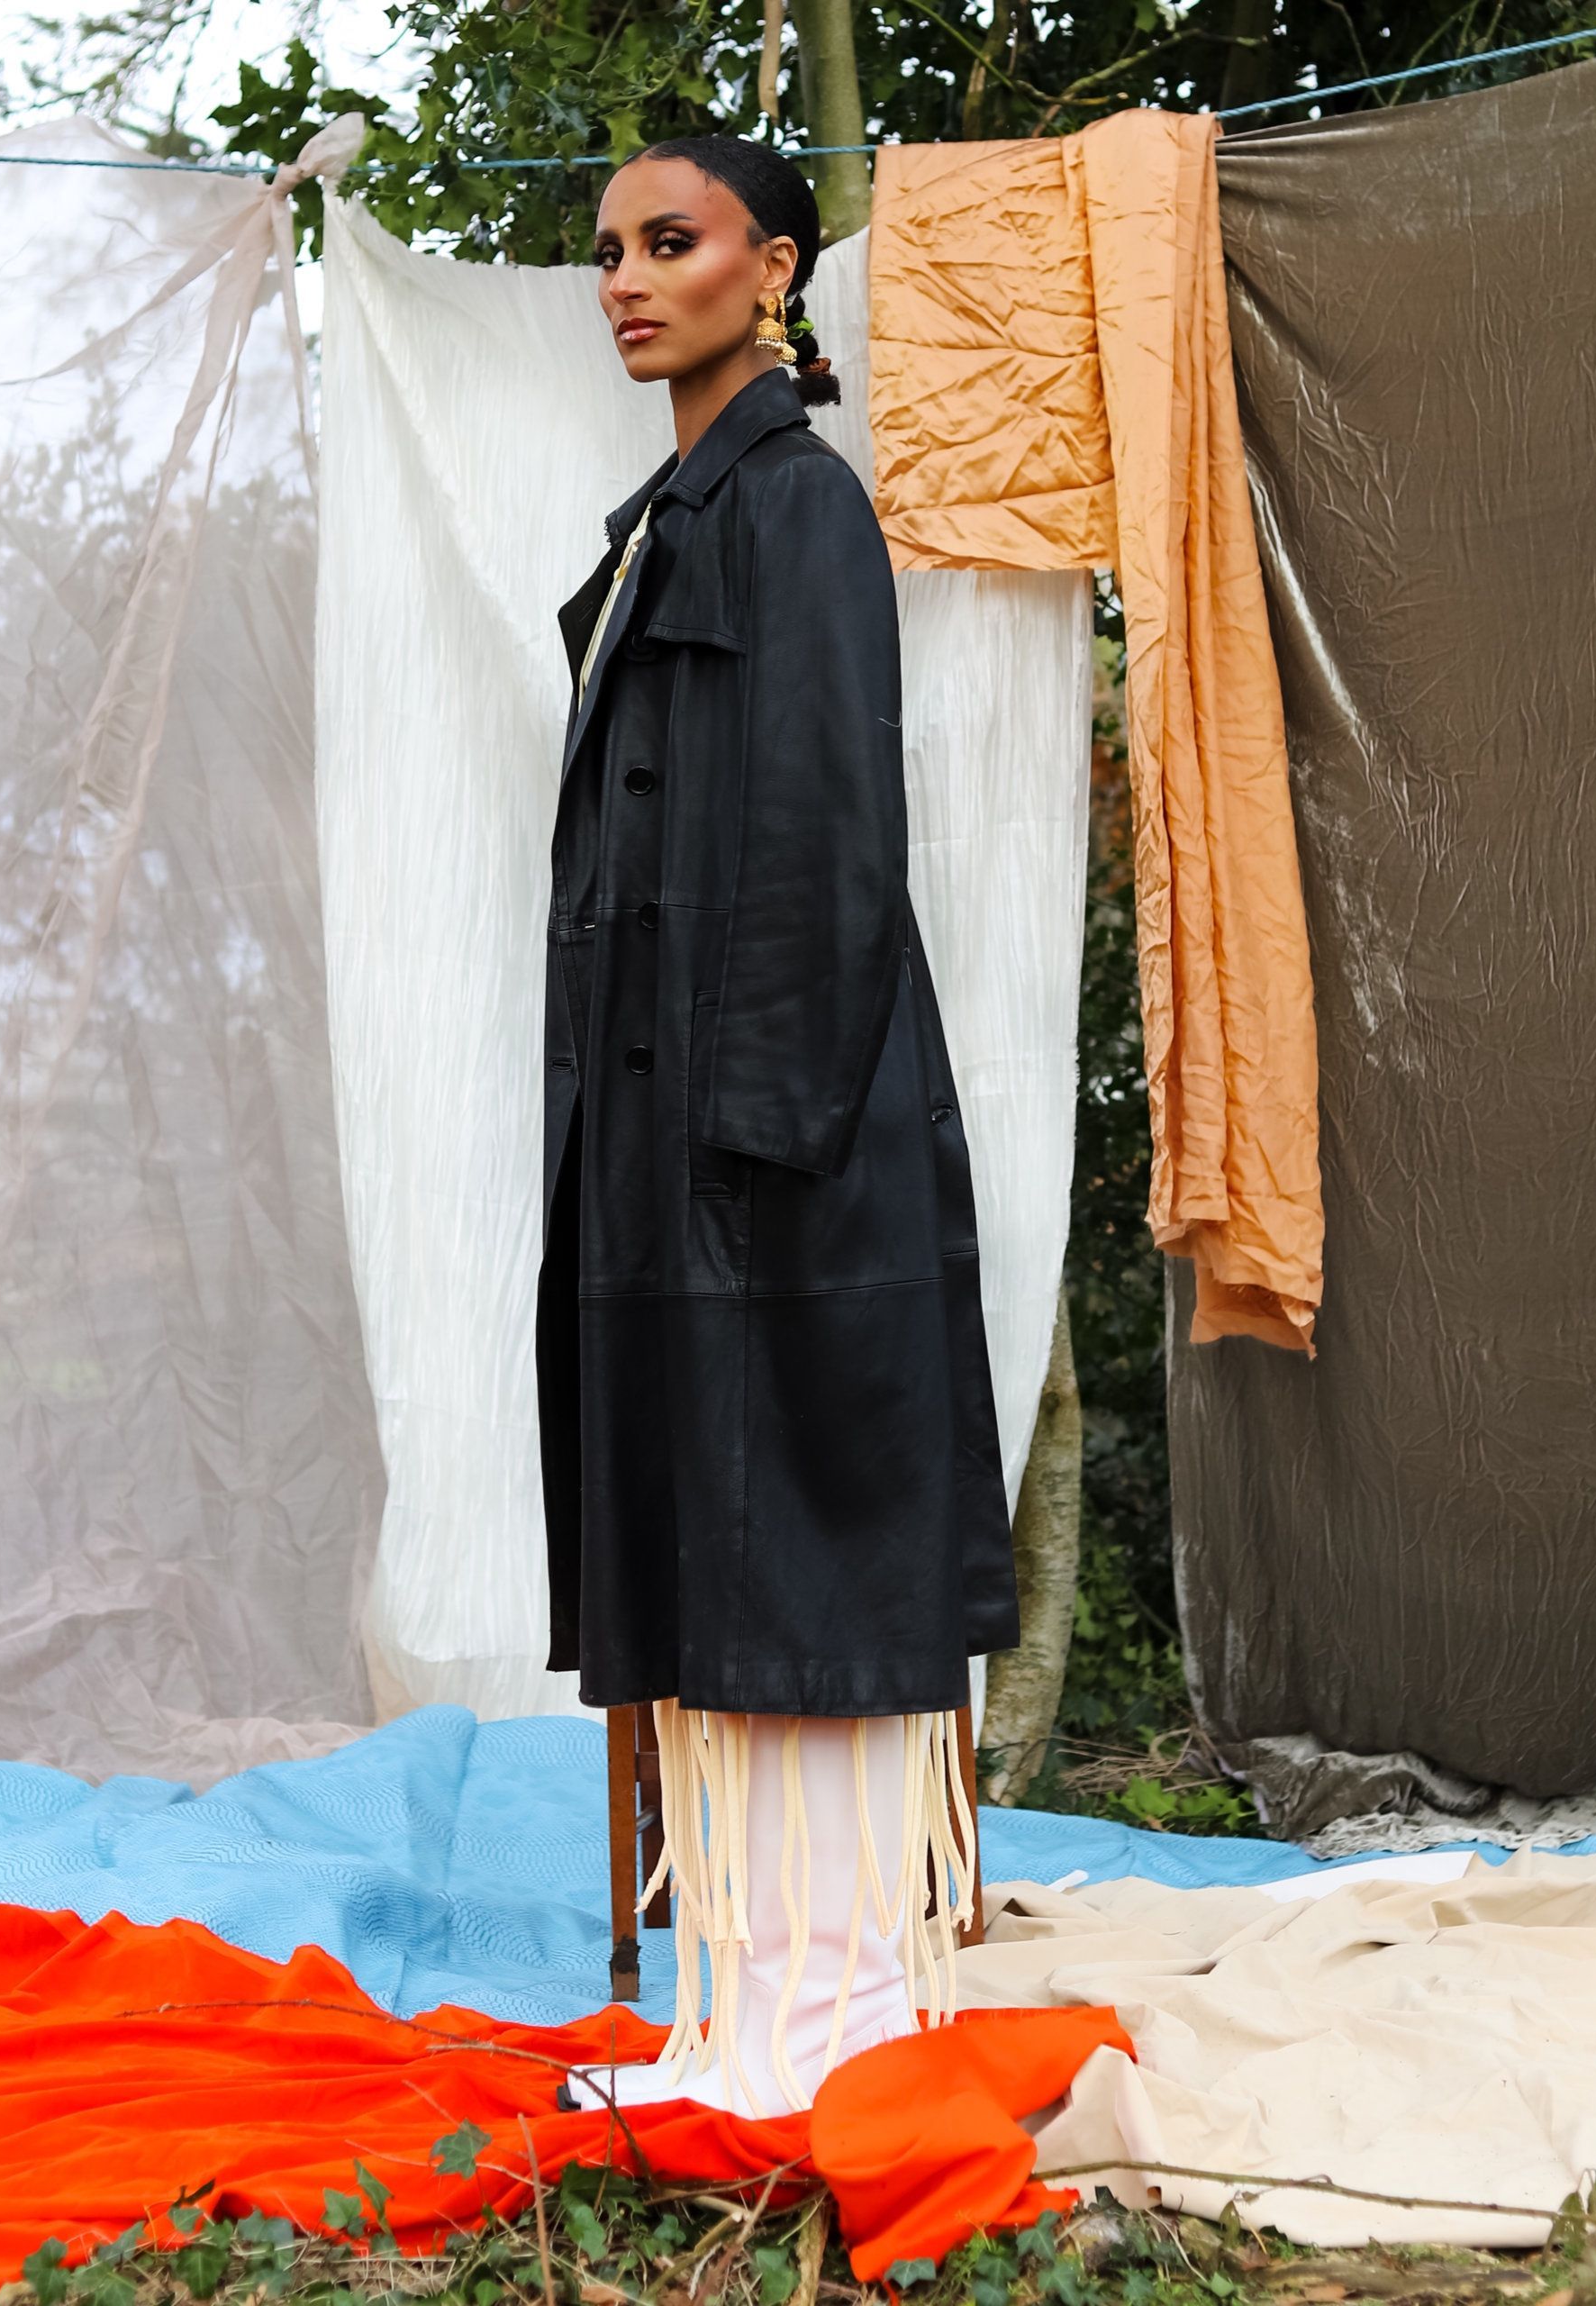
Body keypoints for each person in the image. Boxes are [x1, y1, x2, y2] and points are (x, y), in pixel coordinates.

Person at [538, 133, 1018, 2118]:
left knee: (803, 1565)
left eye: (673, 242)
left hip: (776, 1145)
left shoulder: (800, 504)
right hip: (674, 1152)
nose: (628, 280)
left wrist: (760, 1146)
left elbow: (831, 832)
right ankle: (746, 2012)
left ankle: (825, 2026)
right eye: (609, 251)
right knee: (713, 1568)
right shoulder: (671, 515)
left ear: (776, 267)